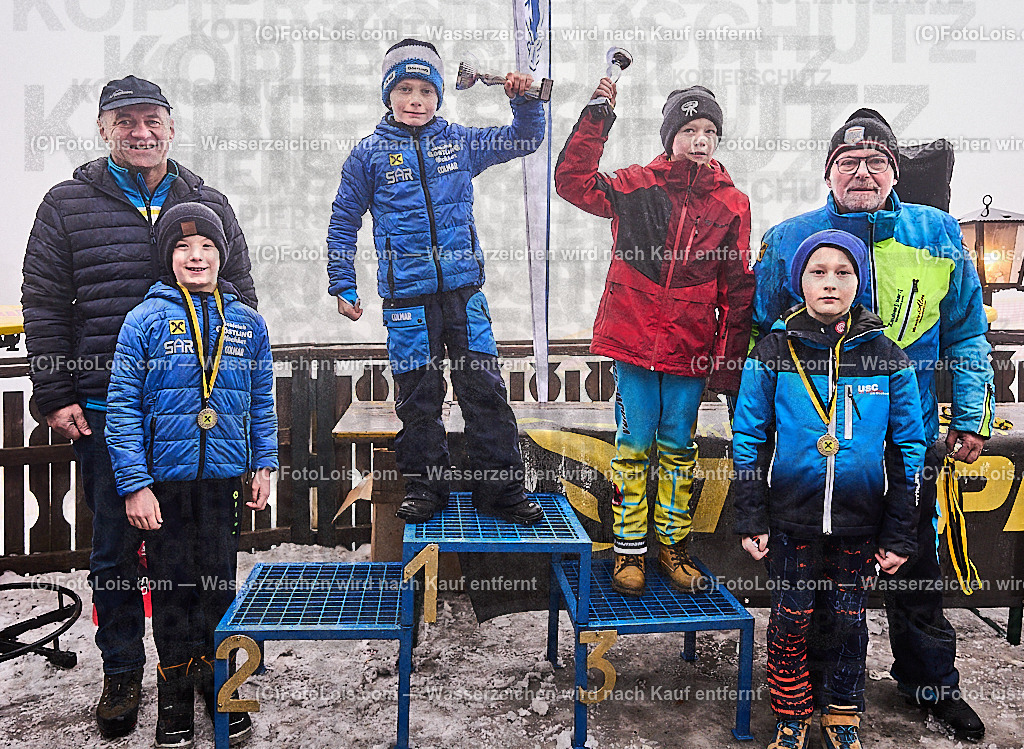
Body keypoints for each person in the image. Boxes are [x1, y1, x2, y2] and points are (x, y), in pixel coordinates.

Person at [20, 75, 257, 739]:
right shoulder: (65, 204)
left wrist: (232, 392)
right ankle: (122, 670)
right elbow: (43, 301)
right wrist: (56, 390)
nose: (140, 132)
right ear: (103, 129)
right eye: (125, 121)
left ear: (172, 126)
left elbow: (241, 295)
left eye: (152, 119)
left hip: (195, 418)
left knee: (205, 553)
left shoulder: (205, 200)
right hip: (105, 411)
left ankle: (209, 670)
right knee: (117, 552)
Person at [752, 109, 993, 741]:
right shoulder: (790, 238)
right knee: (813, 587)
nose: (862, 171)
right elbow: (762, 331)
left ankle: (931, 683)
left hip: (903, 435)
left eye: (876, 161)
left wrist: (970, 415)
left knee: (913, 560)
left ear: (895, 172)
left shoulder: (939, 234)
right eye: (847, 161)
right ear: (828, 171)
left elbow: (968, 329)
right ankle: (811, 703)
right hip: (820, 443)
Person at [326, 39, 545, 524]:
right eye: (404, 88)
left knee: (484, 391)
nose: (415, 100)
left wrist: (524, 101)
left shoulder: (460, 142)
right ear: (388, 94)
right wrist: (343, 282)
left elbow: (523, 139)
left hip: (465, 293)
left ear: (440, 94)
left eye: (426, 89)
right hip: (406, 299)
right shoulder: (368, 155)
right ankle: (426, 488)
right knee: (418, 397)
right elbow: (343, 220)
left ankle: (502, 493)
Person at [555, 80, 753, 594]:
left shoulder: (732, 204)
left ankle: (674, 548)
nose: (700, 139)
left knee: (679, 451)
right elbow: (571, 181)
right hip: (634, 343)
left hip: (689, 350)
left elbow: (737, 286)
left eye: (709, 130)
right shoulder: (635, 185)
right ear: (670, 137)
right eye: (689, 129)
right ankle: (629, 552)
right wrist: (598, 115)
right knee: (633, 447)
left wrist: (727, 364)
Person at [734, 229, 926, 749]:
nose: (831, 283)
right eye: (818, 272)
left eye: (844, 272)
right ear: (800, 281)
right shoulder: (773, 350)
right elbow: (749, 436)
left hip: (861, 520)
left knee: (849, 622)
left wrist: (900, 531)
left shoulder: (888, 354)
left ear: (859, 282)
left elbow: (909, 446)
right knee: (791, 619)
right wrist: (751, 514)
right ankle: (791, 715)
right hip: (790, 515)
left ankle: (843, 714)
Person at [105, 202, 276, 748]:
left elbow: (261, 400)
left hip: (222, 480)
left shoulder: (246, 323)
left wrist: (264, 463)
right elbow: (124, 407)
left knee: (218, 585)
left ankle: (217, 683)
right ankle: (175, 691)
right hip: (164, 486)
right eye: (182, 247)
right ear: (167, 259)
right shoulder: (143, 321)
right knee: (174, 588)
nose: (196, 256)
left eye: (206, 247)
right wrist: (134, 484)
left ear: (222, 255)